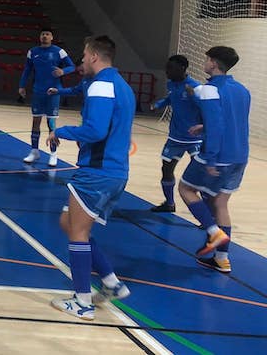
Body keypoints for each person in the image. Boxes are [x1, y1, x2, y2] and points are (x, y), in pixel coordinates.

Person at [47, 35, 134, 321]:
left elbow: (95, 131)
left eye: (84, 55)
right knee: (68, 223)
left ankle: (82, 301)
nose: (82, 60)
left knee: (79, 232)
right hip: (114, 172)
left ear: (95, 56)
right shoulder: (122, 86)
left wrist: (61, 131)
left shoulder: (101, 85)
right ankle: (111, 283)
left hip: (97, 172)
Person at [177, 46, 250, 274]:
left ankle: (213, 232)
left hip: (218, 155)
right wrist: (204, 126)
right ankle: (222, 259)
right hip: (240, 156)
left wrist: (209, 159)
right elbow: (231, 121)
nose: (205, 62)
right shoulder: (242, 90)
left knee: (186, 189)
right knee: (220, 203)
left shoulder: (208, 90)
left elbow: (218, 126)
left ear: (215, 63)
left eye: (207, 59)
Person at [149, 55, 202, 213]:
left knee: (201, 176)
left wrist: (204, 127)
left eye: (170, 68)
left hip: (196, 139)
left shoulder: (195, 87)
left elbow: (207, 109)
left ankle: (207, 214)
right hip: (175, 138)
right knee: (166, 169)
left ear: (182, 68)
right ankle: (169, 203)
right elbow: (170, 99)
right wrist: (159, 104)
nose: (167, 71)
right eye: (167, 67)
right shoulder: (171, 84)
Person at [19, 28, 75, 167]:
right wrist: (22, 85)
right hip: (38, 91)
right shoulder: (33, 52)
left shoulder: (59, 51)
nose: (45, 36)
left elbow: (72, 66)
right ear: (40, 36)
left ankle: (53, 153)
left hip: (53, 91)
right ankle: (34, 151)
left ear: (52, 37)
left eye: (47, 34)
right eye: (43, 34)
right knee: (35, 121)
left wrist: (63, 71)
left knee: (51, 124)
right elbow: (27, 70)